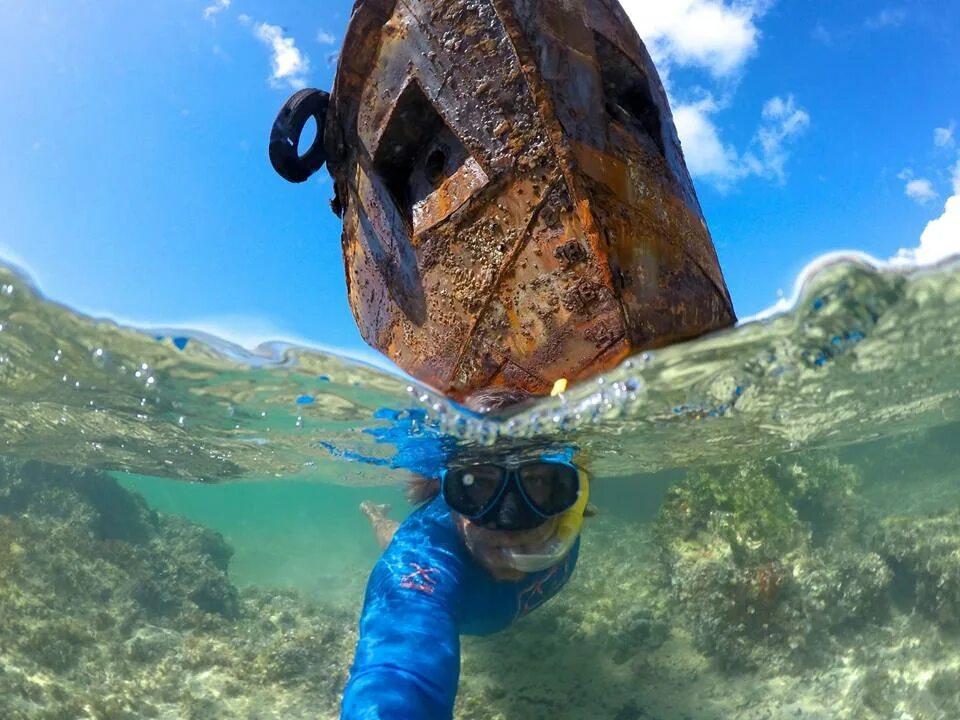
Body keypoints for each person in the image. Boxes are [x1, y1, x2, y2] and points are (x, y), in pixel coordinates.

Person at [340, 388, 590, 719]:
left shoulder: (570, 507)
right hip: (431, 548)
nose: (509, 523)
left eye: (538, 484)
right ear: (451, 494)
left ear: (569, 490)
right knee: (397, 539)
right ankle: (376, 515)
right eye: (478, 486)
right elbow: (395, 676)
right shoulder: (421, 562)